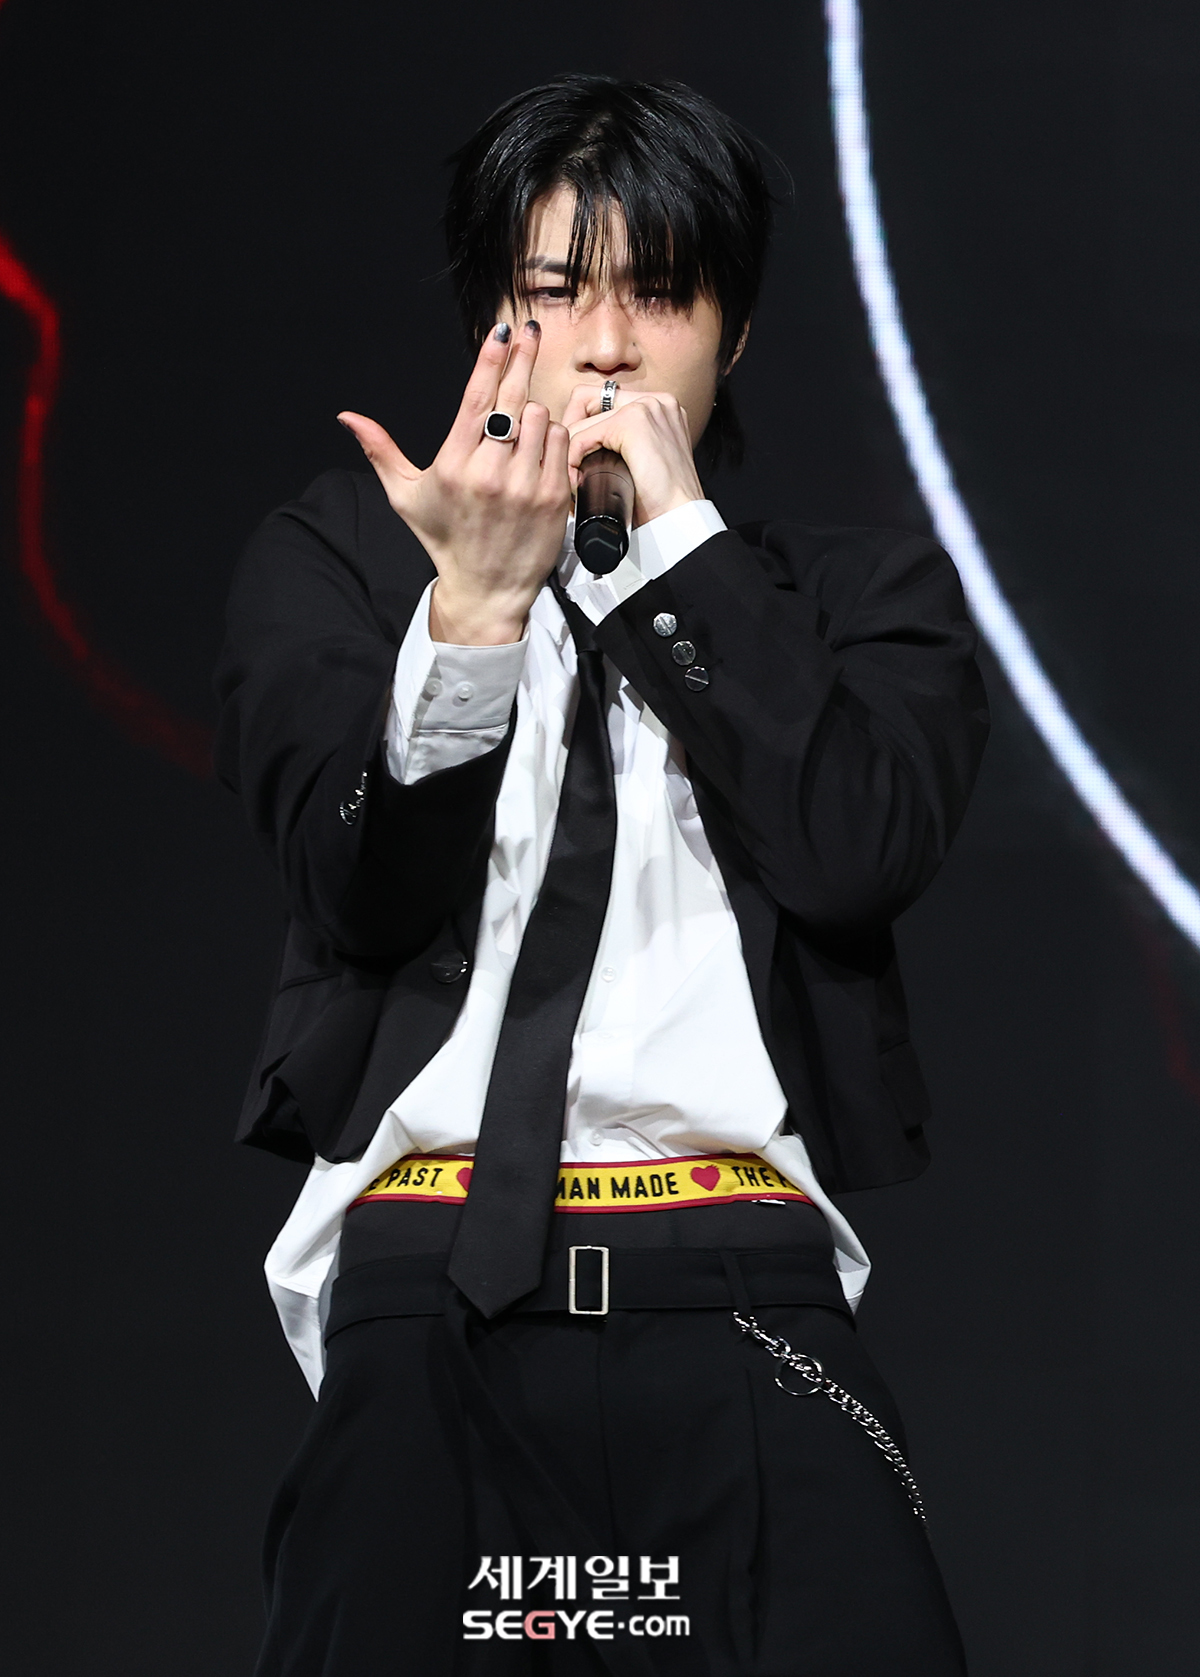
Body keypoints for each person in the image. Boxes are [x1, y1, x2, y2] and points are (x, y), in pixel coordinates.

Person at [216, 73, 988, 1677]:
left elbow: (854, 850)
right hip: (428, 1295)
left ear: (736, 332)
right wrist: (474, 621)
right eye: (556, 290)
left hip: (745, 1300)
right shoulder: (343, 565)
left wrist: (677, 560)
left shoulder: (857, 602)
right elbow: (355, 891)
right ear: (490, 318)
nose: (610, 345)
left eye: (662, 292)